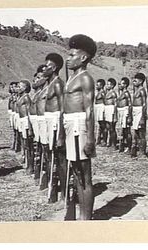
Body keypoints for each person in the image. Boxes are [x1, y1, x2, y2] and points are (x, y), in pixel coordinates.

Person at [63, 34, 97, 220]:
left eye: (72, 55)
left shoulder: (85, 79)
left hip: (80, 126)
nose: (68, 58)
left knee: (85, 175)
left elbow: (90, 111)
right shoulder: (71, 78)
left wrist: (91, 139)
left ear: (83, 58)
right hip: (70, 125)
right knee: (76, 173)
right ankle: (82, 214)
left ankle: (87, 218)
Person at [43, 52, 66, 203]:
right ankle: (54, 186)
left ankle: (64, 191)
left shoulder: (58, 83)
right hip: (48, 119)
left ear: (55, 67)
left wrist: (61, 134)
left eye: (47, 66)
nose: (44, 68)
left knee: (59, 157)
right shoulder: (49, 83)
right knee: (49, 154)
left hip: (56, 120)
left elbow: (64, 107)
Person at [29, 65, 46, 182]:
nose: (35, 81)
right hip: (37, 119)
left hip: (44, 120)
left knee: (44, 146)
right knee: (38, 144)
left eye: (38, 78)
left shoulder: (46, 91)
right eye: (35, 79)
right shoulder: (36, 93)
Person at [16, 79, 33, 173]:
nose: (18, 88)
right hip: (22, 120)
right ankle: (27, 163)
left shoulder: (26, 98)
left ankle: (31, 166)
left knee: (28, 144)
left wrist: (30, 127)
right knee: (25, 144)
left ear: (25, 88)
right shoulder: (21, 97)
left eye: (20, 87)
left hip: (26, 120)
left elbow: (29, 112)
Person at [131, 73, 147, 157]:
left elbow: (144, 104)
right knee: (136, 131)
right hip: (135, 111)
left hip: (140, 111)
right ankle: (136, 149)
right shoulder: (136, 90)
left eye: (136, 79)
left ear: (141, 81)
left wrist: (142, 117)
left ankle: (143, 152)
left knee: (141, 133)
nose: (133, 81)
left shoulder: (142, 90)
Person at [116, 77, 132, 152]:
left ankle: (129, 147)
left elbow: (130, 104)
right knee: (121, 130)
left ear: (125, 85)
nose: (119, 85)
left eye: (121, 84)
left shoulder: (126, 93)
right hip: (120, 111)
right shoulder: (120, 93)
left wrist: (129, 116)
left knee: (127, 130)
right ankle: (121, 145)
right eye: (119, 84)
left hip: (125, 111)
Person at [104, 78, 118, 149]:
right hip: (107, 109)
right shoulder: (107, 92)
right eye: (107, 84)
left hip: (111, 109)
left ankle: (114, 144)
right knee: (108, 127)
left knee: (112, 128)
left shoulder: (113, 93)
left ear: (112, 86)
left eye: (109, 84)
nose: (107, 85)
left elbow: (115, 104)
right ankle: (109, 142)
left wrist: (115, 114)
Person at [94, 79, 106, 146]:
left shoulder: (102, 92)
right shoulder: (98, 92)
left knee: (102, 124)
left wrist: (104, 110)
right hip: (97, 107)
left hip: (101, 107)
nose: (96, 86)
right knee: (99, 124)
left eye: (97, 85)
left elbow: (105, 101)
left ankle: (104, 140)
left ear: (101, 86)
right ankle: (98, 139)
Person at [8, 82, 19, 150]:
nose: (12, 89)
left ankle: (16, 145)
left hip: (16, 113)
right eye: (11, 87)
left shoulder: (17, 96)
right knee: (14, 130)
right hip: (12, 113)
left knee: (17, 130)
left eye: (14, 87)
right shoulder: (11, 95)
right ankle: (15, 143)